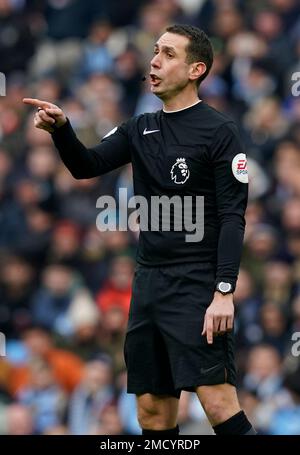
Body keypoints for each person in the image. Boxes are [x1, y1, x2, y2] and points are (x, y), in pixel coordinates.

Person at [23, 24, 255, 435]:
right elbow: (86, 166)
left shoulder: (220, 132)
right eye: (154, 51)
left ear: (196, 69)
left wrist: (224, 291)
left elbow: (233, 217)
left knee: (218, 402)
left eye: (167, 53)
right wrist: (62, 130)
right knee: (151, 411)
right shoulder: (140, 127)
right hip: (148, 283)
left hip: (198, 284)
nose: (153, 61)